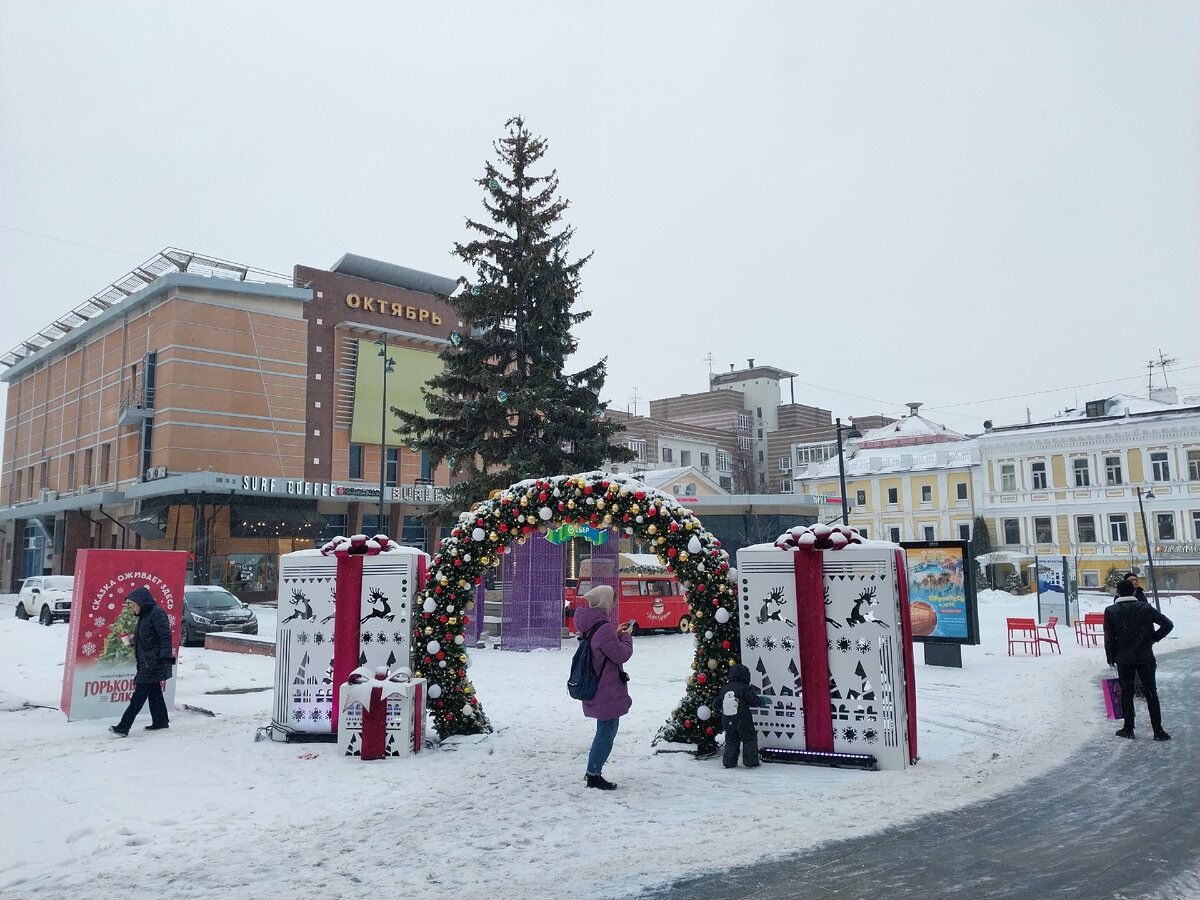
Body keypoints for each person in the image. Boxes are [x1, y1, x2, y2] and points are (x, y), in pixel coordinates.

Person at [571, 584, 633, 790]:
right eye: (613, 599)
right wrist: (626, 636)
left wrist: (614, 633)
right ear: (605, 602)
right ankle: (593, 774)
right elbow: (621, 654)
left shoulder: (590, 623)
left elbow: (600, 645)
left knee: (604, 728)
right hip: (606, 688)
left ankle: (593, 771)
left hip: (595, 684)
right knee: (607, 731)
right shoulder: (603, 627)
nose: (614, 603)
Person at [1104, 579, 1173, 741]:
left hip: (1124, 659)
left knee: (1126, 694)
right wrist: (1152, 639)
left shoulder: (1111, 611)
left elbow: (1109, 638)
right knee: (1151, 694)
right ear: (1134, 592)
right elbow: (1168, 624)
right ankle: (1158, 731)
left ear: (1117, 593)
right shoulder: (1146, 608)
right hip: (1145, 657)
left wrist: (1111, 658)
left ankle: (1128, 728)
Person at [110, 586, 175, 736]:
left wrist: (165, 659)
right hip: (148, 662)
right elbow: (148, 637)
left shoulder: (157, 613)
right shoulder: (145, 616)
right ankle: (161, 721)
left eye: (132, 605)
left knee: (138, 696)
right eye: (129, 606)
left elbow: (165, 636)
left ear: (141, 602)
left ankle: (123, 726)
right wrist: (132, 640)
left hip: (153, 663)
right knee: (154, 692)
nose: (131, 608)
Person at [716, 663, 768, 768]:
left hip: (727, 720)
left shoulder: (725, 689)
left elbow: (716, 703)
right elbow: (753, 700)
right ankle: (750, 761)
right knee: (749, 738)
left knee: (731, 740)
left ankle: (729, 762)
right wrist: (762, 700)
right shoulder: (745, 688)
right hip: (743, 720)